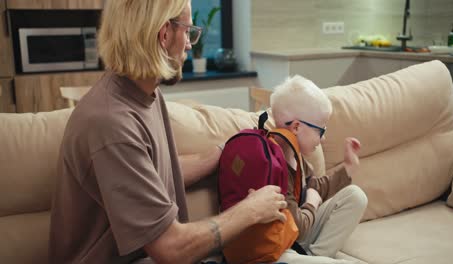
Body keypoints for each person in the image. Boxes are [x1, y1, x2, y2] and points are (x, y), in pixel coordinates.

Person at [48, 1, 288, 263]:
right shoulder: (111, 123)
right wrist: (251, 210)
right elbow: (170, 248)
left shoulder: (146, 93)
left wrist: (224, 150)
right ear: (164, 34)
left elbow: (151, 175)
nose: (189, 44)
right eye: (188, 32)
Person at [269, 75, 369, 264]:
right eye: (320, 130)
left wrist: (348, 167)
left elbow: (316, 187)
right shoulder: (275, 166)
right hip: (280, 248)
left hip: (298, 238)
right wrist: (312, 204)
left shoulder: (298, 158)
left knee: (355, 195)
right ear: (296, 127)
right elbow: (297, 227)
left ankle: (315, 258)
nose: (322, 139)